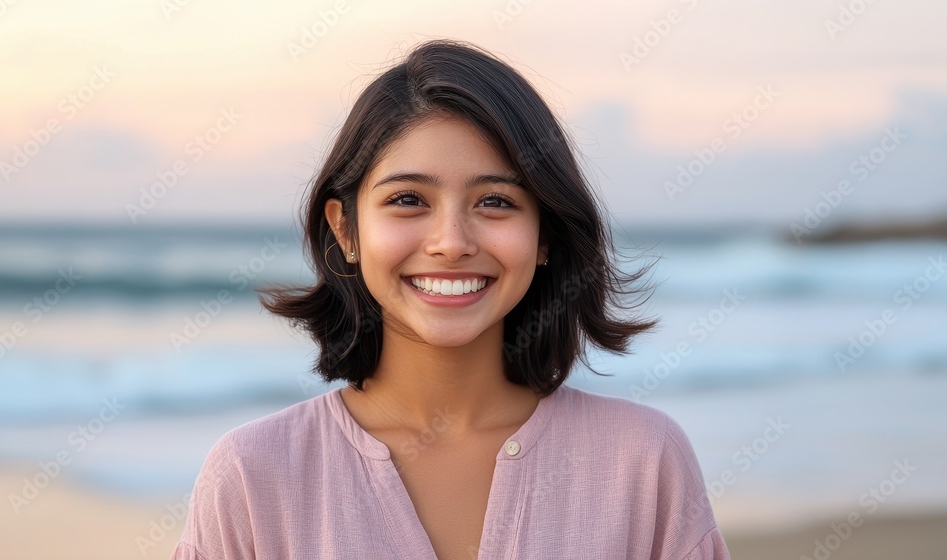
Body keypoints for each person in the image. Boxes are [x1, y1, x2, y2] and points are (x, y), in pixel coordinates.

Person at [171, 39, 730, 560]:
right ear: (346, 231)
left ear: (545, 236)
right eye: (409, 199)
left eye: (495, 201)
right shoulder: (252, 476)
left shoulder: (644, 462)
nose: (452, 243)